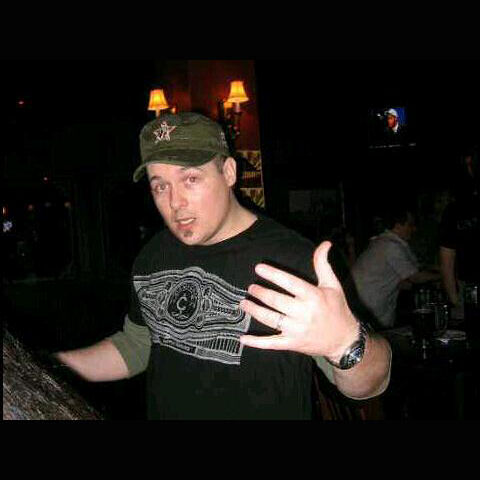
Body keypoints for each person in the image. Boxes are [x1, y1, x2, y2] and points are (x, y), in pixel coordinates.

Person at [54, 112, 391, 420]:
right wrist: (47, 367)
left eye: (190, 179)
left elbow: (371, 385)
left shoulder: (292, 259)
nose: (175, 202)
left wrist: (344, 344)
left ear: (228, 172)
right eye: (160, 186)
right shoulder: (152, 256)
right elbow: (137, 345)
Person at [347, 205, 440, 330]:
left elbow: (402, 280)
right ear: (398, 225)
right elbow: (415, 277)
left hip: (365, 307)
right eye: (410, 225)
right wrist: (444, 275)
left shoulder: (384, 243)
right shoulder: (391, 246)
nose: (414, 229)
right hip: (370, 308)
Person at [439, 146, 480, 320]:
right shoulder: (456, 210)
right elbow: (446, 259)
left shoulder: (455, 209)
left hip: (469, 287)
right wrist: (455, 298)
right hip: (470, 288)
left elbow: (447, 260)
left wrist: (455, 298)